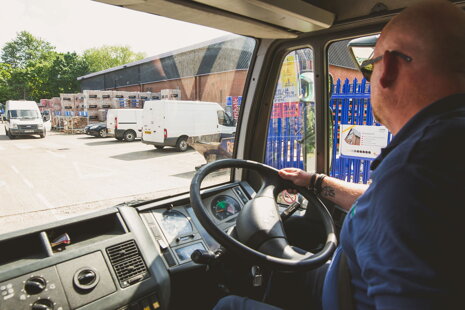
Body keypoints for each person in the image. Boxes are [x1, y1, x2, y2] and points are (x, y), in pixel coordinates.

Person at [213, 0, 465, 309]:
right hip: (347, 277)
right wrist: (316, 182)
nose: (368, 79)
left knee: (229, 306)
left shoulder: (415, 169)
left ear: (388, 69)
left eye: (369, 67)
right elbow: (380, 202)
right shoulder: (442, 149)